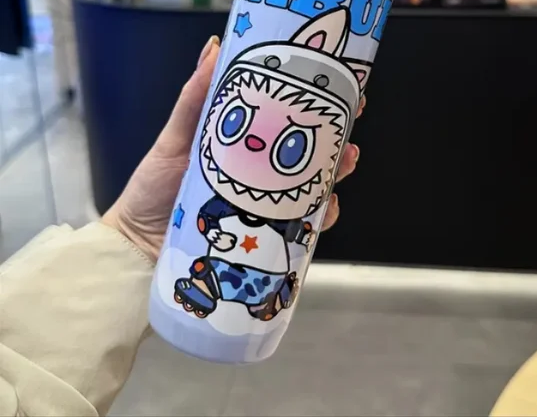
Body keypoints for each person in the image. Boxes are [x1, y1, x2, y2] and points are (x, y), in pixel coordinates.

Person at [0, 36, 363, 417]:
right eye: (237, 121)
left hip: (266, 271)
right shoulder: (221, 198)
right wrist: (165, 233)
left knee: (270, 280)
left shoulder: (282, 210)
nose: (255, 144)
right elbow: (208, 216)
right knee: (209, 272)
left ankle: (267, 296)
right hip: (220, 263)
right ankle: (214, 290)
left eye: (292, 144)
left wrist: (131, 235)